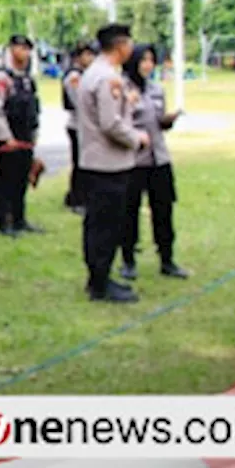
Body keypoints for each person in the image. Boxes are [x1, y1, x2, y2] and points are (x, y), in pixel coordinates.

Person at [77, 24, 150, 303]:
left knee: (97, 223)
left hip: (95, 161)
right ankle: (100, 283)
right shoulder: (108, 78)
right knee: (106, 225)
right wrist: (137, 138)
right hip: (108, 163)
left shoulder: (93, 73)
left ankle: (98, 277)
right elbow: (110, 123)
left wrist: (128, 104)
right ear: (121, 46)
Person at [120, 44, 190, 281]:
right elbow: (117, 122)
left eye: (151, 60)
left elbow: (158, 121)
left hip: (159, 158)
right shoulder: (121, 88)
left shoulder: (156, 89)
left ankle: (167, 259)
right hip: (133, 160)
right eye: (143, 60)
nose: (148, 65)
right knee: (129, 211)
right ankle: (128, 260)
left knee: (164, 209)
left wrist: (168, 120)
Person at [0, 35, 44, 236]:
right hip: (10, 138)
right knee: (7, 181)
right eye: (20, 48)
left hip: (26, 137)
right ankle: (4, 221)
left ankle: (20, 219)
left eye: (28, 49)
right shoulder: (3, 78)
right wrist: (5, 137)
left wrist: (35, 133)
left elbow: (34, 108)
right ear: (11, 50)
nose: (25, 53)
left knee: (22, 180)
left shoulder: (28, 79)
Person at [62, 40, 97, 213]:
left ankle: (76, 196)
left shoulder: (86, 74)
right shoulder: (74, 76)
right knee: (80, 164)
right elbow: (79, 101)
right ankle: (77, 199)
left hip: (84, 125)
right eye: (88, 55)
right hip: (78, 124)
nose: (91, 58)